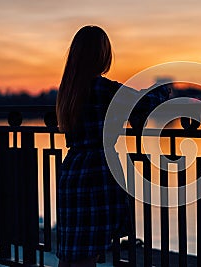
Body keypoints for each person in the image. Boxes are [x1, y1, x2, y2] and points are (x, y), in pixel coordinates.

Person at [56, 25, 170, 267]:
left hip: (72, 172)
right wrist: (163, 89)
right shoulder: (102, 89)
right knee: (87, 256)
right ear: (102, 55)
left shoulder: (69, 90)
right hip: (96, 175)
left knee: (72, 253)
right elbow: (143, 102)